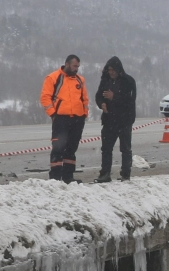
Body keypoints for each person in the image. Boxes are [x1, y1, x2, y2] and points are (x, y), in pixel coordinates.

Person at [39, 54, 87, 183]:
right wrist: (53, 114)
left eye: (78, 66)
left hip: (77, 118)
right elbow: (45, 97)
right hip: (61, 118)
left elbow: (84, 99)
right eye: (74, 66)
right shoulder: (53, 78)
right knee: (58, 147)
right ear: (67, 64)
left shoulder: (80, 80)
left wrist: (84, 114)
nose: (76, 69)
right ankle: (55, 177)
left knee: (72, 148)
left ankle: (68, 176)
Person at [95, 55, 136, 183]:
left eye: (113, 70)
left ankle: (125, 173)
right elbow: (98, 95)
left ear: (119, 69)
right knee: (106, 149)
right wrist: (101, 104)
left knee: (125, 148)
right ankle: (105, 173)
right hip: (109, 120)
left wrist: (115, 97)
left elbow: (130, 100)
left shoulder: (128, 81)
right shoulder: (105, 81)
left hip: (124, 120)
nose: (111, 72)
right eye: (109, 70)